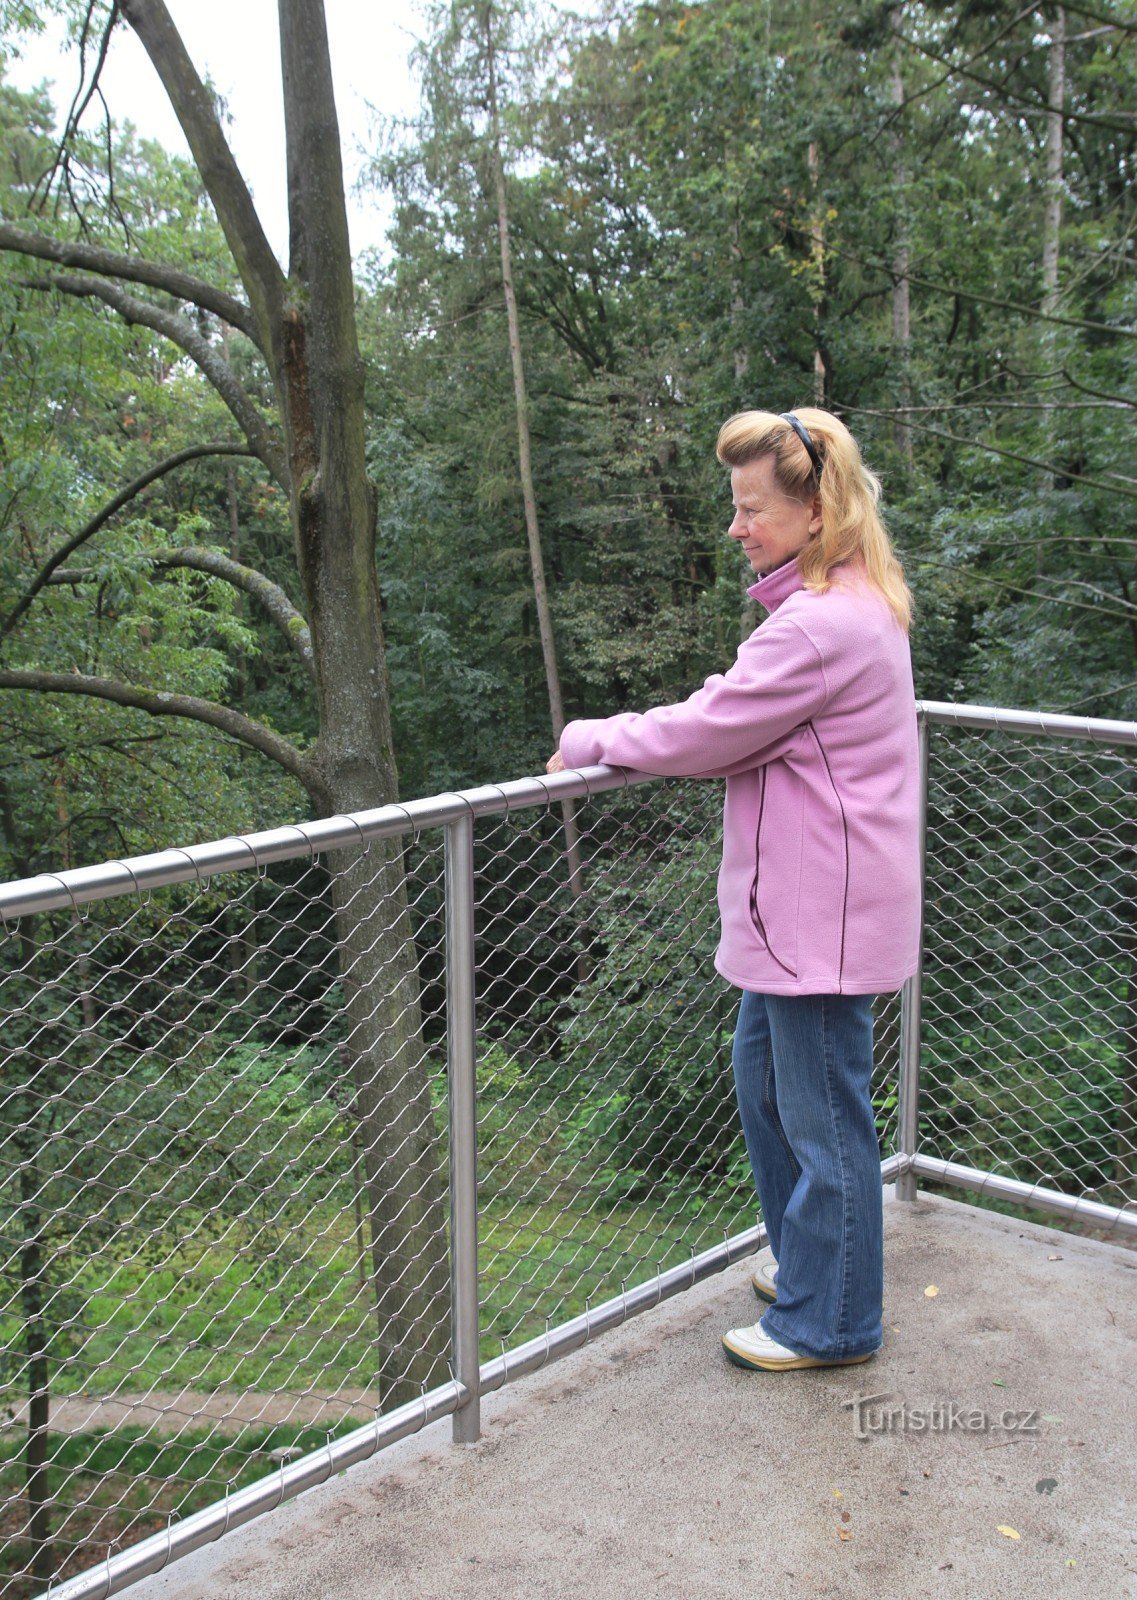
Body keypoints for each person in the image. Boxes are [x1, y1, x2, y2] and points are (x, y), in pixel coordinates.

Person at [547, 406, 921, 1372]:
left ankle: (831, 1318)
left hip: (816, 923)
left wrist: (590, 737)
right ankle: (812, 1268)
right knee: (765, 1087)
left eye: (752, 508)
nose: (736, 527)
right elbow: (746, 718)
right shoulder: (846, 605)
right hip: (803, 915)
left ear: (814, 509)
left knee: (822, 1117)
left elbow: (704, 732)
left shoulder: (818, 626)